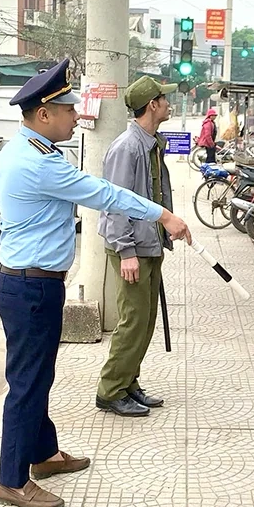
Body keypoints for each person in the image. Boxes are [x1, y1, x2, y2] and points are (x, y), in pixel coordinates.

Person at [0, 59, 190, 507]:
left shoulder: (23, 149)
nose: (77, 115)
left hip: (28, 282)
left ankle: (44, 454)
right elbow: (105, 194)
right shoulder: (40, 164)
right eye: (68, 109)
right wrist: (163, 214)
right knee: (27, 384)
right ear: (44, 114)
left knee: (37, 376)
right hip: (31, 287)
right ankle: (12, 481)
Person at [96, 77, 176, 418]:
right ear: (153, 105)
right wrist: (126, 251)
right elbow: (113, 203)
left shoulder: (151, 143)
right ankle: (111, 390)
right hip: (131, 248)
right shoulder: (127, 147)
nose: (169, 104)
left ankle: (129, 382)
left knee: (145, 320)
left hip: (149, 244)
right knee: (133, 321)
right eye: (164, 99)